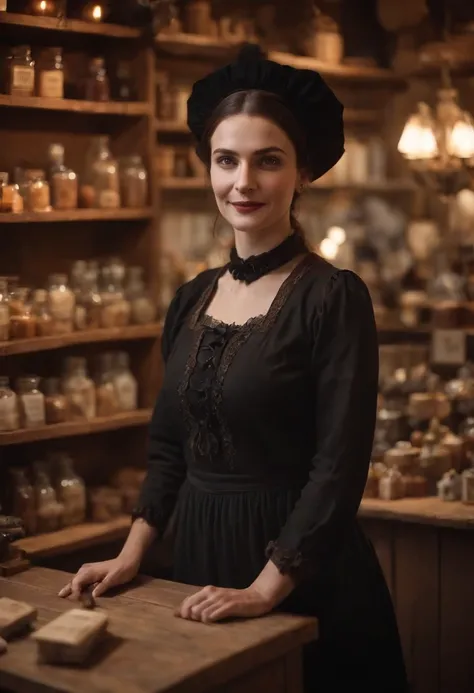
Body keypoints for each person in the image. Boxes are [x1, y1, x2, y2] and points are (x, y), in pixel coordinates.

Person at [59, 46, 409, 692]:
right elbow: (168, 450)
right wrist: (131, 554)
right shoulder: (190, 298)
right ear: (209, 167)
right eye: (227, 160)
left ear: (302, 173)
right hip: (195, 562)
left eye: (267, 160)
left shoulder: (333, 297)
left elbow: (339, 468)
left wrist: (263, 589)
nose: (242, 182)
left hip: (302, 574)